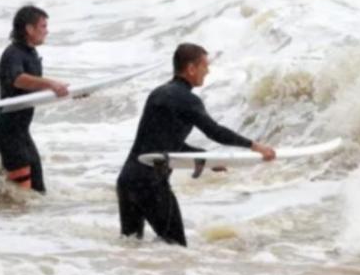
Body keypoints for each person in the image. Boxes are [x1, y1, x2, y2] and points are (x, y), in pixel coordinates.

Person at [117, 43, 276, 246]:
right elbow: (215, 132)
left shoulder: (158, 93)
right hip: (151, 184)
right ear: (191, 68)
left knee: (130, 247)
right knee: (176, 249)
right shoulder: (187, 100)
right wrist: (254, 146)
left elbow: (164, 143)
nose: (207, 71)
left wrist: (206, 158)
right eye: (204, 66)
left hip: (128, 180)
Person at [0, 5, 69, 193]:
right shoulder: (13, 53)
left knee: (37, 192)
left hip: (21, 132)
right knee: (22, 197)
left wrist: (71, 93)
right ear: (29, 29)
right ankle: (5, 221)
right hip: (8, 132)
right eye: (43, 26)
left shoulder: (30, 54)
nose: (47, 31)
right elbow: (18, 80)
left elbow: (34, 89)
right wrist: (51, 84)